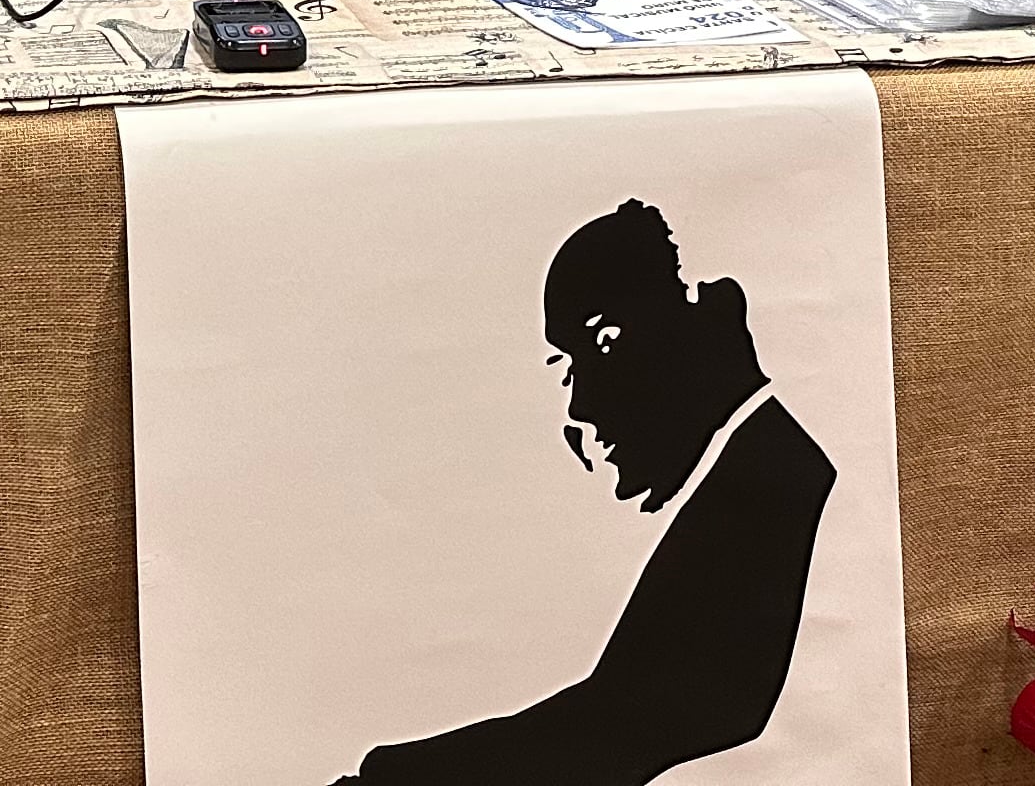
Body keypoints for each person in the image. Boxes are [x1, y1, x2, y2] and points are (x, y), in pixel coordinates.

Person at [339, 200, 835, 783]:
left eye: (602, 343)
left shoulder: (771, 484)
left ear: (709, 307)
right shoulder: (753, 477)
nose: (583, 405)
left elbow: (632, 717)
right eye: (570, 365)